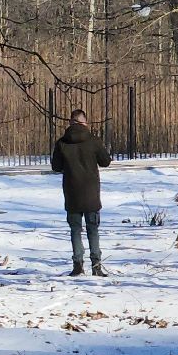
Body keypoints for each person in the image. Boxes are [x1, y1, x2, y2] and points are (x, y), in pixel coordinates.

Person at [50, 108, 113, 276]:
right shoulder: (94, 141)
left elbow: (56, 167)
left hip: (72, 193)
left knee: (75, 230)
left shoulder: (62, 143)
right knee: (93, 229)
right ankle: (96, 266)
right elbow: (105, 162)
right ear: (84, 123)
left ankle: (78, 265)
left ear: (70, 123)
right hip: (91, 192)